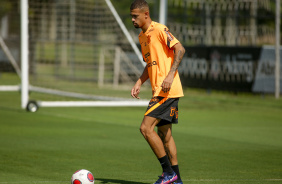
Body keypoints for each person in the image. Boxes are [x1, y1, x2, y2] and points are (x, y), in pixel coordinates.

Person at [130, 0, 185, 184]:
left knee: (145, 128)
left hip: (167, 90)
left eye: (135, 16)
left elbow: (180, 49)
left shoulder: (160, 29)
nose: (132, 19)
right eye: (131, 16)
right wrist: (139, 81)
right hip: (159, 91)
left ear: (146, 14)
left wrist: (170, 75)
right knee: (165, 134)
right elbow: (150, 64)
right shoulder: (142, 37)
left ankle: (168, 173)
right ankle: (177, 180)